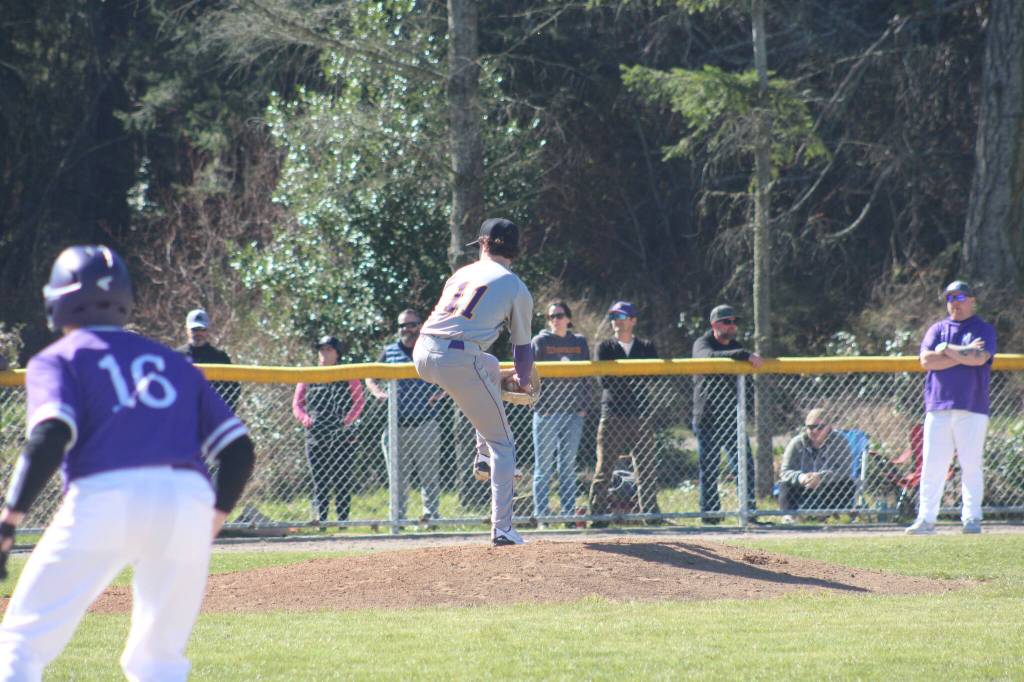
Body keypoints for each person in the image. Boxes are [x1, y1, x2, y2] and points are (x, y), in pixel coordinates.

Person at [0, 245, 255, 680]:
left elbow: (50, 436)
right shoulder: (175, 364)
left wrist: (9, 519)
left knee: (22, 642)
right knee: (158, 660)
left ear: (59, 300)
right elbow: (238, 450)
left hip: (104, 494)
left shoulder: (58, 358)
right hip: (187, 500)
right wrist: (210, 519)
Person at [413, 218, 535, 547]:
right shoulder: (515, 286)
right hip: (458, 358)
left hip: (423, 350)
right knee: (505, 444)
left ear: (483, 244)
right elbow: (522, 347)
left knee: (490, 366)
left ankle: (482, 457)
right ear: (516, 249)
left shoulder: (462, 273)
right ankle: (503, 529)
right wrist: (523, 380)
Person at [906, 281, 996, 535]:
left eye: (960, 297)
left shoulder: (983, 329)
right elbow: (927, 360)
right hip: (938, 406)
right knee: (933, 465)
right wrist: (962, 354)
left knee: (971, 464)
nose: (954, 302)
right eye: (950, 298)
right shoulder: (938, 329)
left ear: (972, 300)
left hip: (973, 406)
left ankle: (971, 518)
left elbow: (979, 358)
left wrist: (946, 350)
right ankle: (926, 519)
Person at [366, 309, 444, 526]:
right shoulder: (389, 352)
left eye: (411, 324)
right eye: (402, 326)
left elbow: (450, 373)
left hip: (425, 424)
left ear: (420, 325)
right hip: (396, 426)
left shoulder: (429, 349)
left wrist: (441, 392)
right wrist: (378, 393)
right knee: (397, 479)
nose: (406, 329)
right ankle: (398, 520)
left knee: (429, 475)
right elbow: (370, 377)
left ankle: (431, 518)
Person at [588, 301, 661, 527]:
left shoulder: (646, 346)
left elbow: (654, 376)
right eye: (614, 317)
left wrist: (626, 377)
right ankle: (598, 516)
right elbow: (606, 381)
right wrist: (635, 376)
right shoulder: (605, 347)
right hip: (612, 415)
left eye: (622, 316)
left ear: (633, 320)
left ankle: (650, 514)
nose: (617, 321)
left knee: (646, 468)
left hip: (640, 415)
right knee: (604, 469)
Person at [691, 304, 762, 523]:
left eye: (734, 322)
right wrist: (743, 354)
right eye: (727, 321)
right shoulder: (702, 342)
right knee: (709, 469)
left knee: (745, 466)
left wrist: (748, 409)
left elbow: (748, 382)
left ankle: (748, 511)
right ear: (714, 324)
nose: (732, 326)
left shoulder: (737, 346)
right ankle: (710, 515)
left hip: (733, 419)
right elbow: (707, 357)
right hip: (708, 418)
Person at [293, 335, 365, 525]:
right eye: (321, 349)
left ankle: (342, 521)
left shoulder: (347, 373)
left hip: (341, 435)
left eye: (328, 350)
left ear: (337, 353)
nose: (324, 353)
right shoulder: (309, 375)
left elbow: (359, 402)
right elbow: (297, 404)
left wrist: (347, 421)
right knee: (320, 480)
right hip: (316, 434)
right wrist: (306, 419)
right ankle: (321, 520)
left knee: (342, 480)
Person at [530, 301, 590, 528]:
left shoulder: (579, 342)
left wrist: (584, 406)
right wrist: (537, 404)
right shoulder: (540, 341)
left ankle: (567, 516)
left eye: (560, 315)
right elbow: (529, 375)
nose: (555, 319)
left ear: (568, 318)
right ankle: (542, 517)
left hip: (573, 414)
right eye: (551, 316)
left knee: (567, 467)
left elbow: (586, 375)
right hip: (546, 413)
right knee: (543, 468)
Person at [777, 408, 855, 522]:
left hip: (828, 487)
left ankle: (825, 514)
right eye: (810, 427)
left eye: (820, 427)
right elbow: (784, 472)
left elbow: (845, 470)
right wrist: (801, 477)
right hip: (803, 487)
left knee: (848, 484)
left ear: (829, 427)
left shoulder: (840, 441)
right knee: (785, 484)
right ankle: (789, 518)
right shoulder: (796, 443)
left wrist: (821, 477)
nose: (814, 431)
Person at [176, 308, 239, 412]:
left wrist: (222, 414)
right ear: (186, 329)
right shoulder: (176, 356)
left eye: (202, 329)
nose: (199, 333)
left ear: (208, 330)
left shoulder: (219, 357)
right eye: (195, 329)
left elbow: (233, 389)